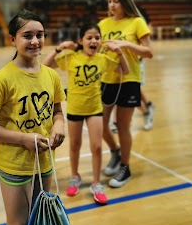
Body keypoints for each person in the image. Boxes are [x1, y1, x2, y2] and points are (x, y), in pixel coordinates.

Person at [0, 9, 66, 225]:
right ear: (12, 40)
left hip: (45, 161)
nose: (35, 41)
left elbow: (57, 111)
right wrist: (23, 139)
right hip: (15, 163)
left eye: (40, 35)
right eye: (27, 35)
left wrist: (59, 125)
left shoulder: (51, 75)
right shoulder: (1, 79)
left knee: (38, 222)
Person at [43, 23, 129, 205]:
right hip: (74, 108)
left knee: (97, 147)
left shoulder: (103, 59)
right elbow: (45, 66)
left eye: (97, 37)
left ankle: (96, 183)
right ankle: (75, 176)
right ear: (80, 41)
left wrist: (119, 51)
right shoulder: (71, 57)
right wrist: (58, 48)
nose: (94, 41)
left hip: (95, 109)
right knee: (74, 145)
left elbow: (125, 69)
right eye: (89, 37)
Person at [98, 0, 153, 188]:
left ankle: (125, 166)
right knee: (101, 124)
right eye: (109, 1)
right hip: (106, 79)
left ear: (124, 2)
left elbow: (148, 52)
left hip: (129, 80)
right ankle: (115, 151)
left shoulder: (137, 22)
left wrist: (125, 45)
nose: (112, 5)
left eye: (116, 1)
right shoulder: (102, 24)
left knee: (122, 126)